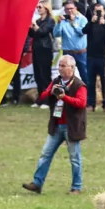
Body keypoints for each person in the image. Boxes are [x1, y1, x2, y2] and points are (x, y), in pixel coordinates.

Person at [23, 56, 87, 194]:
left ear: (72, 67)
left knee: (75, 158)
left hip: (71, 127)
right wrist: (52, 92)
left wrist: (65, 97)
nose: (60, 68)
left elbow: (81, 103)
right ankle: (37, 183)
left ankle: (77, 187)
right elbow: (43, 96)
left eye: (63, 66)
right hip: (57, 125)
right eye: (59, 66)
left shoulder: (79, 85)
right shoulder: (56, 81)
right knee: (45, 154)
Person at [82, 2, 105, 112]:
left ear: (104, 12)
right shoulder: (91, 23)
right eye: (96, 11)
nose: (98, 13)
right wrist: (91, 22)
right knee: (90, 81)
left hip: (103, 56)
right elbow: (83, 31)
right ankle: (90, 104)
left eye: (100, 11)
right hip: (91, 56)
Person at [54, 2, 87, 78]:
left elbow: (82, 32)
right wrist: (58, 23)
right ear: (64, 11)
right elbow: (56, 34)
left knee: (85, 75)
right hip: (67, 53)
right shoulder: (62, 21)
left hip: (81, 52)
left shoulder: (82, 19)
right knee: (66, 75)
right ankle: (68, 90)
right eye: (67, 9)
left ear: (76, 9)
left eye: (71, 8)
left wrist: (73, 23)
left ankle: (86, 90)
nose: (69, 11)